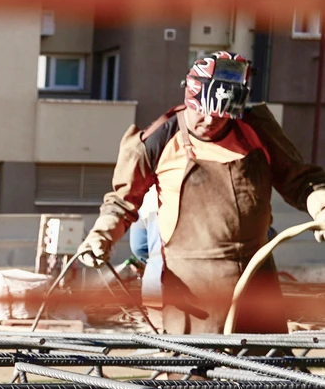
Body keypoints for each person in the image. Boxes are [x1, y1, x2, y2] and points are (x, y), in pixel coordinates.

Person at [76, 51, 325, 335]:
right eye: (201, 110)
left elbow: (302, 180)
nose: (208, 120)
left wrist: (321, 206)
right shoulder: (159, 139)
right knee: (193, 377)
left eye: (219, 114)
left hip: (257, 286)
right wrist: (101, 236)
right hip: (190, 295)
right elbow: (121, 202)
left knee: (268, 374)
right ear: (189, 97)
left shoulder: (257, 132)